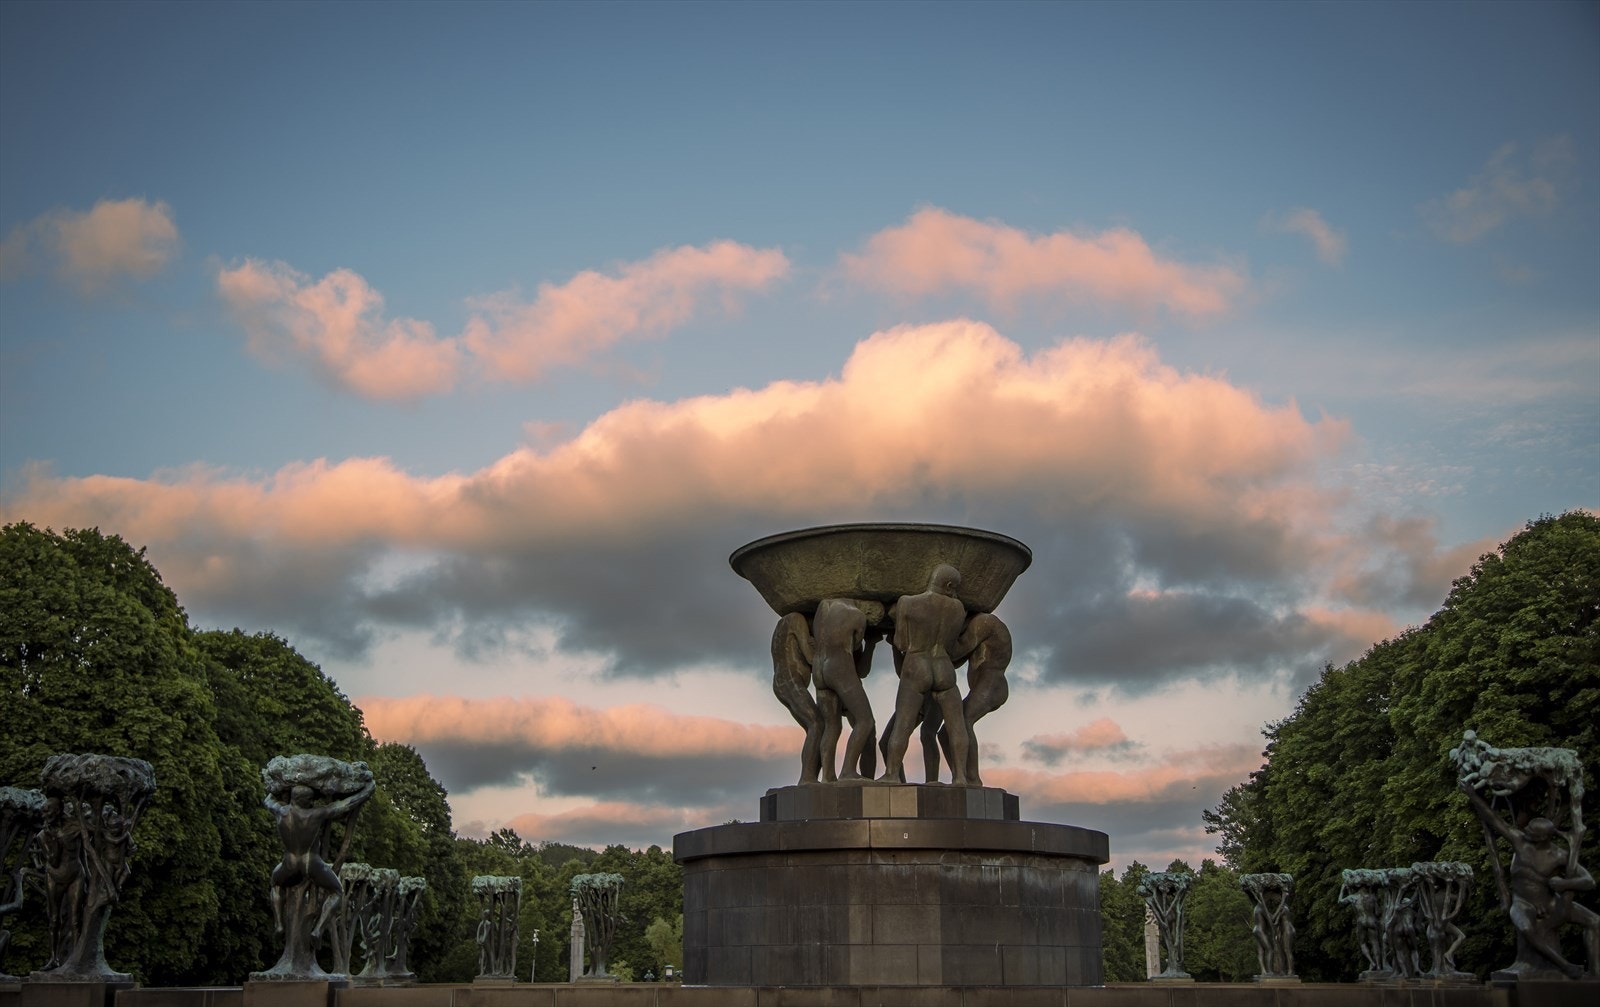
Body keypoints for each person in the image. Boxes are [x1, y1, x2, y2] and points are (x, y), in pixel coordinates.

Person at [1462, 783, 1598, 978]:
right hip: (1524, 902)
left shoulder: (1560, 855)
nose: (1526, 833)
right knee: (1525, 927)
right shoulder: (1520, 843)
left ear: (1544, 838)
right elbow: (1494, 820)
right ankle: (1565, 965)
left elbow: (1589, 881)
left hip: (1552, 903)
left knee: (1595, 922)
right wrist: (1473, 796)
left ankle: (1596, 972)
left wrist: (1565, 884)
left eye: (1532, 833)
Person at [878, 565, 971, 786]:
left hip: (917, 665)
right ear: (948, 586)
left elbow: (901, 642)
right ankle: (960, 777)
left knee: (903, 723)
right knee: (957, 725)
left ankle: (892, 774)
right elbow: (951, 644)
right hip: (943, 667)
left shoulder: (908, 602)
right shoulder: (958, 608)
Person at [265, 777, 375, 941]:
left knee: (275, 884)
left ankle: (279, 924)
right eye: (311, 799)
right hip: (311, 862)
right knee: (337, 891)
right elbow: (344, 806)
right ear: (306, 800)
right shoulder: (316, 814)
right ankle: (318, 929)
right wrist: (366, 791)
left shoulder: (280, 811)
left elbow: (267, 800)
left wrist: (276, 787)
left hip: (289, 862)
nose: (313, 802)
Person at [812, 599, 883, 782]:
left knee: (831, 726)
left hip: (819, 669)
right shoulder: (857, 616)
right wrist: (872, 644)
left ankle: (828, 776)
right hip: (840, 668)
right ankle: (848, 771)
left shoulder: (823, 607)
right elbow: (860, 664)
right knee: (865, 721)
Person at [769, 613, 823, 784]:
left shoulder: (783, 623)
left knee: (816, 727)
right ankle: (808, 776)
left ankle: (811, 776)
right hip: (791, 680)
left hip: (783, 681)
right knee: (817, 724)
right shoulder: (797, 620)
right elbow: (811, 658)